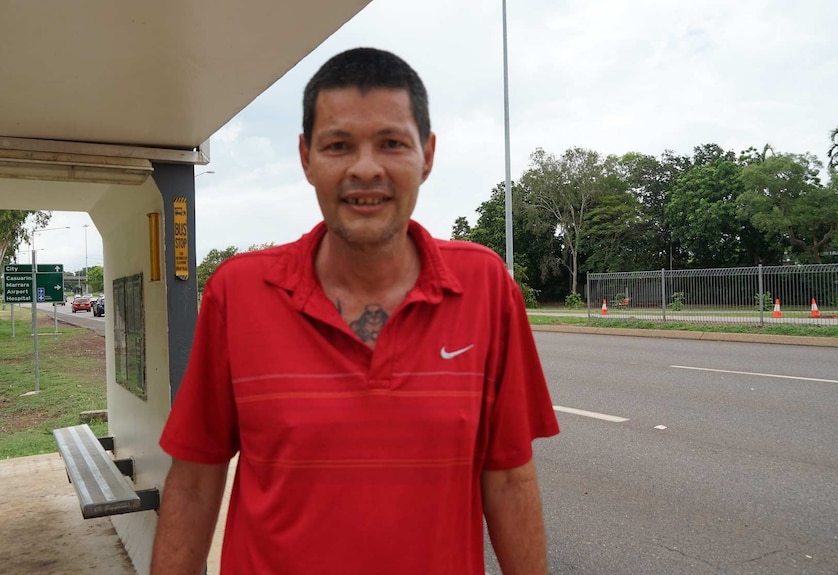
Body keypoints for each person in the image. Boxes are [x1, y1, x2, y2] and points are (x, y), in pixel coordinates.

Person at [151, 47, 559, 575]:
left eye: (391, 143)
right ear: (306, 158)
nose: (365, 169)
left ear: (427, 155)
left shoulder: (485, 288)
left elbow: (508, 478)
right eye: (339, 145)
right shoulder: (239, 292)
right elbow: (196, 480)